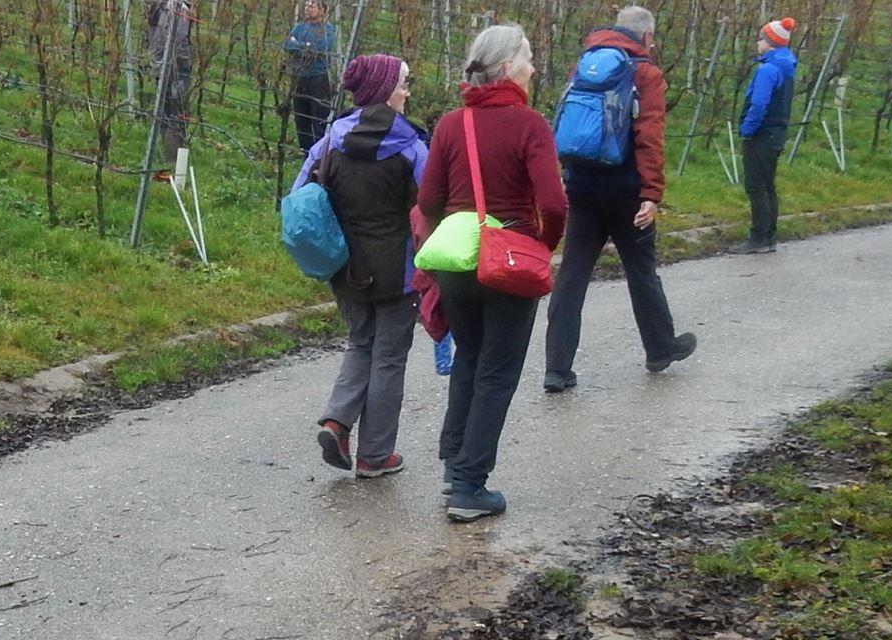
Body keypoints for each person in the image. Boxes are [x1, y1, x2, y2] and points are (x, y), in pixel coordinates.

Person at [416, 24, 568, 522]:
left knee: (469, 356)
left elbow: (428, 199)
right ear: (507, 68)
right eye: (527, 59)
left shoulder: (451, 124)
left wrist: (453, 233)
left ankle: (453, 465)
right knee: (499, 371)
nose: (533, 69)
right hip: (509, 261)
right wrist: (540, 244)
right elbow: (553, 203)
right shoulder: (530, 125)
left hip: (457, 260)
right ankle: (469, 486)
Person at [544, 6, 697, 393]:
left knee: (572, 275)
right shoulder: (646, 73)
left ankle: (557, 369)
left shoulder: (585, 63)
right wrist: (651, 193)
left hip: (581, 185)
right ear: (646, 37)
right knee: (641, 270)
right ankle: (660, 349)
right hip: (626, 191)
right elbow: (650, 136)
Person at [295, 55, 428, 479]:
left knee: (360, 343)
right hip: (399, 272)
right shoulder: (410, 147)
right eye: (403, 84)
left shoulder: (328, 143)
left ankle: (338, 421)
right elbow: (431, 209)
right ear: (385, 91)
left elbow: (301, 198)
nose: (407, 92)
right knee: (388, 358)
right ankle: (375, 455)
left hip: (345, 267)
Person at [730, 17, 798, 255]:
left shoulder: (767, 70)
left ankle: (758, 237)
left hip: (761, 135)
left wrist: (747, 130)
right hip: (776, 134)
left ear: (771, 42)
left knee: (755, 186)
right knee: (768, 185)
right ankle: (769, 236)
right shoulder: (786, 67)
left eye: (761, 38)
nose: (758, 42)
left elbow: (759, 104)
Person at [147, 0, 195, 163]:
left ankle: (163, 153)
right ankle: (174, 159)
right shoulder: (179, 8)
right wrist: (186, 64)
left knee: (164, 110)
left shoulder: (159, 4)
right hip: (175, 68)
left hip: (159, 65)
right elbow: (179, 41)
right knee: (177, 114)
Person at [285, 0, 337, 151]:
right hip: (299, 77)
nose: (308, 9)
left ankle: (320, 152)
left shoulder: (327, 30)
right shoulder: (300, 27)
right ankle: (305, 151)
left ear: (322, 10)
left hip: (318, 78)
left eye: (312, 6)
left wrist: (298, 45)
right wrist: (306, 46)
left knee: (319, 117)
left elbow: (318, 49)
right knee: (301, 117)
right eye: (306, 6)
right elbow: (287, 45)